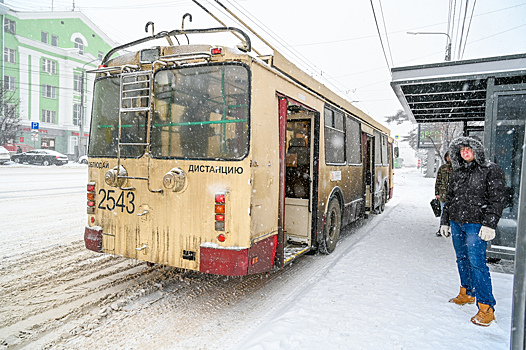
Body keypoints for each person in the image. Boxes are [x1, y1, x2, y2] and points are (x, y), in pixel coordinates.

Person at [440, 136, 506, 327]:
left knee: (477, 263)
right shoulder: (458, 171)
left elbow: (497, 199)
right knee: (462, 258)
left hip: (476, 224)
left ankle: (486, 307)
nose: (464, 152)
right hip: (456, 222)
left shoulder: (491, 170)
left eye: (468, 149)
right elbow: (450, 198)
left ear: (477, 150)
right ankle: (467, 292)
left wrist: (490, 224)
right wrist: (445, 221)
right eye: (461, 150)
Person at [434, 152, 452, 236]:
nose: (449, 158)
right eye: (448, 156)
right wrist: (437, 193)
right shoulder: (443, 168)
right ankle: (442, 228)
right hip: (443, 194)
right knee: (443, 212)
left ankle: (454, 229)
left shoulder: (458, 168)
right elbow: (438, 181)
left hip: (454, 195)